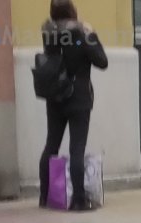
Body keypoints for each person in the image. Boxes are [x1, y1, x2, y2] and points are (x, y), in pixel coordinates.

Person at [38, 0, 107, 211]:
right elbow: (101, 61)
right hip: (78, 98)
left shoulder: (49, 34)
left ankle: (45, 196)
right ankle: (78, 199)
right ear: (72, 11)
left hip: (55, 97)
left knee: (51, 146)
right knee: (76, 148)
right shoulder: (78, 35)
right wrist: (91, 34)